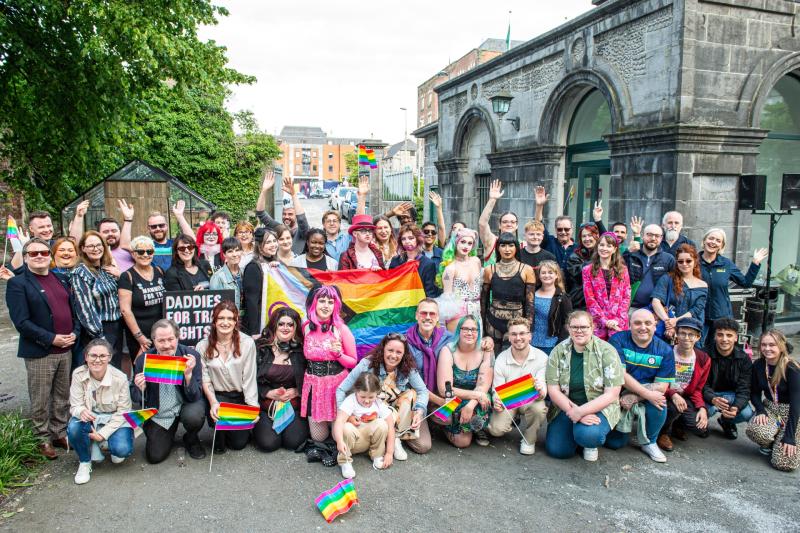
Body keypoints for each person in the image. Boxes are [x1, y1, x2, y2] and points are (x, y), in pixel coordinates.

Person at [7, 238, 79, 459]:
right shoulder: (18, 284)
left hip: (66, 347)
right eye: (34, 253)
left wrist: (75, 332)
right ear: (26, 257)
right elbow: (21, 322)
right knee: (40, 398)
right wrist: (51, 339)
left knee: (62, 395)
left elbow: (72, 309)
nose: (39, 256)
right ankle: (41, 438)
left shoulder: (59, 278)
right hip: (41, 351)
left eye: (44, 253)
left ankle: (59, 432)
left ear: (50, 256)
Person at [545, 310, 624, 461]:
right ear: (568, 328)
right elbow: (553, 390)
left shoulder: (607, 351)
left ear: (592, 327)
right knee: (558, 451)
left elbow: (612, 393)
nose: (579, 331)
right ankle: (576, 434)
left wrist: (581, 412)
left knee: (588, 436)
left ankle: (588, 442)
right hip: (567, 406)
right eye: (574, 327)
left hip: (599, 406)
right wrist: (575, 412)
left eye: (584, 327)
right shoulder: (558, 351)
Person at [337, 333, 430, 459]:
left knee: (411, 394)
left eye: (398, 352)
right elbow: (341, 389)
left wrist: (419, 412)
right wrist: (347, 416)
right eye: (390, 350)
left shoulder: (408, 368)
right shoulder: (367, 364)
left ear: (404, 354)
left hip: (396, 413)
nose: (393, 355)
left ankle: (395, 439)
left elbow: (423, 391)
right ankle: (384, 440)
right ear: (383, 349)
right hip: (373, 410)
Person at [131, 319, 206, 463]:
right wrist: (141, 389)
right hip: (161, 412)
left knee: (194, 416)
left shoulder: (190, 356)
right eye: (161, 340)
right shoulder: (143, 360)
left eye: (171, 339)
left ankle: (191, 438)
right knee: (154, 456)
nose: (166, 345)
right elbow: (136, 397)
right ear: (153, 340)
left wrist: (188, 376)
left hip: (185, 403)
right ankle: (167, 434)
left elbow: (196, 396)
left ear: (178, 337)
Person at [606, 309, 675, 462]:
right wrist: (646, 393)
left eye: (648, 323)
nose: (643, 327)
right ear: (629, 325)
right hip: (618, 392)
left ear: (655, 326)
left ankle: (650, 441)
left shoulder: (665, 350)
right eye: (637, 323)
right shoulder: (618, 340)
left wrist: (637, 396)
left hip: (641, 395)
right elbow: (620, 375)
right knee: (614, 443)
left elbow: (662, 386)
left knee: (659, 402)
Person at [67, 339, 134, 484]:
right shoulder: (78, 374)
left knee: (122, 450)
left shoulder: (120, 378)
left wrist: (102, 435)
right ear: (86, 357)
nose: (97, 360)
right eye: (93, 355)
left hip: (114, 419)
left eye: (103, 356)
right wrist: (81, 411)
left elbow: (124, 412)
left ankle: (104, 443)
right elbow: (75, 405)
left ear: (109, 357)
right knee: (73, 427)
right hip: (91, 420)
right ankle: (85, 462)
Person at [198, 301, 258, 453]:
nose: (225, 322)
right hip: (218, 398)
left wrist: (252, 407)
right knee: (219, 445)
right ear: (214, 321)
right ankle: (217, 428)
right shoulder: (202, 346)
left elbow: (249, 377)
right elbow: (205, 379)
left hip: (239, 398)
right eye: (221, 318)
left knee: (238, 444)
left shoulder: (247, 343)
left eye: (230, 318)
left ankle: (235, 430)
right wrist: (213, 403)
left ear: (236, 320)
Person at [301, 286, 358, 448]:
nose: (326, 305)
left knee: (338, 434)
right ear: (314, 303)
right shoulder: (305, 327)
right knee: (319, 437)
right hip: (313, 385)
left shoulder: (341, 329)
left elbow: (353, 361)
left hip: (336, 385)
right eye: (322, 301)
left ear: (336, 305)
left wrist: (339, 354)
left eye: (330, 302)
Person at [488, 318, 548, 455]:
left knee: (539, 409)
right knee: (495, 430)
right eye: (514, 334)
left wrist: (540, 389)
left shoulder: (542, 357)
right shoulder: (501, 358)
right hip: (509, 400)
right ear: (508, 337)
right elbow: (497, 389)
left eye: (522, 333)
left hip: (531, 400)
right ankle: (512, 419)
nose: (518, 338)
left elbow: (543, 390)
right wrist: (496, 400)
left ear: (529, 336)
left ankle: (529, 439)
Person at [253, 307, 310, 452]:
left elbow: (313, 380)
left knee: (293, 442)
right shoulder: (261, 348)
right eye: (281, 324)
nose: (285, 328)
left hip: (293, 406)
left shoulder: (304, 350)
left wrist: (297, 391)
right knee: (268, 444)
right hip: (267, 407)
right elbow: (248, 379)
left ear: (295, 328)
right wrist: (266, 392)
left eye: (290, 324)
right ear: (274, 326)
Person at [699, 228, 767, 345]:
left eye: (718, 240)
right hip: (699, 315)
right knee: (699, 351)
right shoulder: (693, 262)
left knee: (719, 350)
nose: (713, 242)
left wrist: (755, 263)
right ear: (704, 241)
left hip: (721, 317)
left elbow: (745, 283)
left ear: (721, 245)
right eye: (711, 238)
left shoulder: (726, 264)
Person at [435, 315, 494, 448]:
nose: (469, 333)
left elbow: (483, 385)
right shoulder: (448, 350)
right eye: (465, 329)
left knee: (485, 400)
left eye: (474, 329)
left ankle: (476, 428)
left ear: (479, 333)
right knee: (463, 442)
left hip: (477, 398)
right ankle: (450, 427)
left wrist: (471, 405)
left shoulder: (485, 351)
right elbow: (444, 390)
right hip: (454, 398)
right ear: (459, 331)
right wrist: (476, 395)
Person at [746, 330, 800, 472]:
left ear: (781, 346)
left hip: (792, 413)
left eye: (772, 345)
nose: (767, 348)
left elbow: (796, 405)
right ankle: (771, 443)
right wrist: (760, 411)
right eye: (764, 345)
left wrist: (789, 437)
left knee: (785, 464)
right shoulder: (758, 365)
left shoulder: (792, 368)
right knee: (756, 430)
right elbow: (755, 393)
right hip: (771, 408)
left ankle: (789, 437)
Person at [657, 318, 710, 452]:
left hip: (685, 396)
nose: (686, 338)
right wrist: (672, 394)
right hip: (665, 394)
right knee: (674, 408)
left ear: (697, 338)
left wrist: (702, 408)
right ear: (676, 334)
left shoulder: (703, 358)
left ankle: (676, 425)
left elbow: (698, 389)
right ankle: (663, 433)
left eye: (691, 334)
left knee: (700, 428)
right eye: (682, 333)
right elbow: (656, 380)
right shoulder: (666, 351)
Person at [72, 231, 124, 369]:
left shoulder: (105, 269)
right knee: (102, 370)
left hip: (117, 326)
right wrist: (99, 337)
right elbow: (84, 308)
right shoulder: (80, 272)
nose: (96, 249)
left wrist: (120, 276)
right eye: (91, 246)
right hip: (99, 329)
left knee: (115, 370)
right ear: (83, 248)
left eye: (99, 245)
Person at [480, 232, 536, 353]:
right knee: (492, 359)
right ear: (498, 248)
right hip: (493, 321)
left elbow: (530, 303)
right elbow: (483, 301)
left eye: (511, 245)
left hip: (517, 322)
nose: (507, 249)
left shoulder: (526, 269)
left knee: (516, 359)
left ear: (516, 247)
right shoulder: (489, 269)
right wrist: (484, 329)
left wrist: (529, 329)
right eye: (503, 245)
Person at [333, 373, 395, 478]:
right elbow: (339, 421)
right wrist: (339, 441)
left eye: (371, 397)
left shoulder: (379, 403)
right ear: (356, 391)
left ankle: (377, 455)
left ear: (377, 393)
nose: (367, 401)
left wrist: (389, 452)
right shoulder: (350, 400)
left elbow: (391, 427)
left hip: (369, 441)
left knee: (382, 424)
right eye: (362, 396)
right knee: (346, 427)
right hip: (353, 442)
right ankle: (345, 461)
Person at [702, 318, 754, 439]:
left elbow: (744, 389)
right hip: (710, 394)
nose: (724, 339)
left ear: (736, 338)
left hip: (732, 396)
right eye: (720, 335)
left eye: (729, 335)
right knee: (705, 412)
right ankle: (701, 423)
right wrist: (713, 398)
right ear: (715, 336)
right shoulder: (704, 354)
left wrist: (736, 407)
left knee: (746, 413)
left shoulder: (744, 358)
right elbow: (701, 384)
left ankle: (726, 421)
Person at [534, 186, 605, 272]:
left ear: (572, 229)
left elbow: (607, 240)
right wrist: (539, 206)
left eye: (566, 229)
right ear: (555, 229)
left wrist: (598, 220)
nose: (563, 232)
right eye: (560, 229)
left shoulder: (580, 248)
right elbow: (538, 226)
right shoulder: (549, 242)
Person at [118, 236, 166, 363]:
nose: (145, 255)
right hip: (139, 334)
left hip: (161, 334)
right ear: (133, 254)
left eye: (149, 251)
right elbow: (125, 310)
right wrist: (140, 337)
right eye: (140, 252)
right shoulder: (127, 276)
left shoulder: (160, 271)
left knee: (164, 373)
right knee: (143, 374)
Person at [651, 244, 708, 341]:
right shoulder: (667, 279)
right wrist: (668, 323)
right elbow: (655, 301)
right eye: (680, 261)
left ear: (695, 262)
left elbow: (696, 310)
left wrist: (676, 321)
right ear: (677, 263)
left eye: (688, 261)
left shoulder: (702, 285)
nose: (684, 264)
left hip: (691, 331)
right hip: (668, 330)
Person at [582, 232, 630, 340]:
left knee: (617, 354)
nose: (604, 248)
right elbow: (590, 299)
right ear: (597, 246)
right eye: (602, 245)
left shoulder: (623, 270)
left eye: (609, 246)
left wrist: (616, 320)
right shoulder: (587, 270)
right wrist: (604, 320)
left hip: (618, 323)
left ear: (614, 249)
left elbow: (626, 297)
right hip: (597, 323)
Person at [69, 199, 135, 272]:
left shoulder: (131, 250)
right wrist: (79, 216)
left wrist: (128, 219)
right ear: (99, 234)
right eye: (106, 232)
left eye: (114, 231)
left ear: (120, 232)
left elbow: (125, 245)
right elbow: (74, 243)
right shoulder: (96, 252)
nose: (110, 234)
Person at [255, 170, 309, 255]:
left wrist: (293, 195)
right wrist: (264, 190)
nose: (286, 216)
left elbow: (302, 219)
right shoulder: (278, 228)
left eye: (290, 214)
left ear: (296, 215)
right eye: (284, 214)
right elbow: (260, 213)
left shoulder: (303, 232)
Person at [438, 228, 482, 331]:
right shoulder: (450, 269)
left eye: (470, 243)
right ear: (456, 242)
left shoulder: (476, 261)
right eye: (463, 242)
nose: (466, 246)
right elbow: (446, 299)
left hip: (476, 311)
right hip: (458, 314)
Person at [624, 224, 675, 312]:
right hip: (631, 308)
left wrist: (669, 305)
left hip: (656, 310)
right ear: (643, 236)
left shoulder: (668, 259)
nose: (653, 238)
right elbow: (615, 268)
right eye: (649, 235)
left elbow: (675, 284)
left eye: (657, 236)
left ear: (661, 238)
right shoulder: (631, 254)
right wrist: (628, 251)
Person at [242, 230, 280, 336]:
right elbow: (251, 302)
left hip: (272, 319)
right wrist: (254, 331)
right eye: (268, 242)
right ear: (259, 246)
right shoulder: (253, 267)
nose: (273, 245)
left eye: (274, 241)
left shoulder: (275, 263)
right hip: (258, 324)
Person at [531, 260, 572, 355]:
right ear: (539, 275)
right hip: (531, 343)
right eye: (543, 273)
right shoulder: (532, 294)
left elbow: (567, 323)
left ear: (556, 275)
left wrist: (559, 344)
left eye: (550, 272)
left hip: (551, 344)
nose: (547, 275)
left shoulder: (562, 297)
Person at [389, 223, 439, 297]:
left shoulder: (428, 264)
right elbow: (390, 285)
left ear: (418, 239)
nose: (407, 241)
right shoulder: (395, 260)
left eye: (411, 238)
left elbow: (430, 293)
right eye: (403, 239)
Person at [142, 201, 194, 271]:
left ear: (166, 226)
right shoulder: (145, 246)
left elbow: (192, 240)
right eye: (153, 226)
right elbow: (125, 245)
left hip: (176, 280)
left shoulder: (175, 244)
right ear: (148, 229)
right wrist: (128, 219)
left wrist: (179, 216)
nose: (158, 229)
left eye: (161, 225)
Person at [478, 179, 519, 266]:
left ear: (517, 225)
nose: (509, 224)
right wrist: (492, 199)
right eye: (505, 222)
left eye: (512, 222)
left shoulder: (523, 244)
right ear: (499, 225)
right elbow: (482, 224)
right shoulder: (492, 241)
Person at [565, 222, 600, 309]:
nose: (587, 239)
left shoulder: (604, 254)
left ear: (597, 236)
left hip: (600, 304)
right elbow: (580, 276)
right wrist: (597, 257)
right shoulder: (575, 256)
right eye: (584, 236)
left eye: (590, 235)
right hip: (580, 304)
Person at [209, 237, 244, 311]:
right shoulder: (217, 277)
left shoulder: (245, 272)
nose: (234, 254)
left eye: (237, 250)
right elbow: (216, 307)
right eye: (230, 251)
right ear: (224, 254)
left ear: (241, 252)